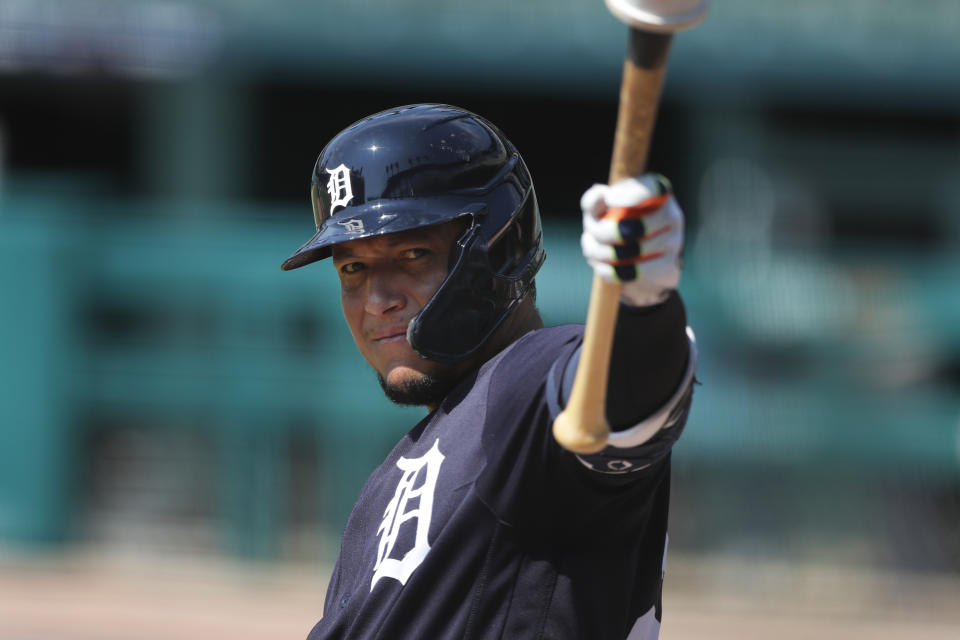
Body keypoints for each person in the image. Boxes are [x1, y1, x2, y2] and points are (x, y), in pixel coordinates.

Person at [281, 104, 696, 640]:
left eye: (411, 254)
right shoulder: (391, 477)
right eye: (353, 268)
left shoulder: (523, 386)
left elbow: (627, 389)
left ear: (498, 248)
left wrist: (645, 301)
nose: (375, 300)